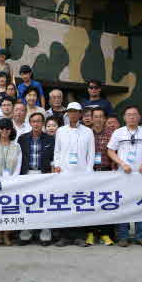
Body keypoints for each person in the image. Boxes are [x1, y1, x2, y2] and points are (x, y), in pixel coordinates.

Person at [107, 105, 142, 248]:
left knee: (140, 204)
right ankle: (123, 236)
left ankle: (140, 236)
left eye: (135, 114)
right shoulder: (118, 132)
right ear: (124, 117)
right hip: (123, 174)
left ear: (139, 117)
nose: (132, 117)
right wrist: (122, 163)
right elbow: (110, 151)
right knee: (123, 204)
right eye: (129, 114)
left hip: (141, 175)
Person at [52, 103, 95, 247]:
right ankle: (65, 236)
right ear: (67, 114)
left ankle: (79, 237)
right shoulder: (60, 131)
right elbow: (57, 151)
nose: (73, 114)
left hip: (81, 174)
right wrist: (57, 165)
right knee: (65, 205)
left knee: (80, 205)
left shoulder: (88, 131)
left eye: (76, 112)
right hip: (64, 173)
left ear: (80, 114)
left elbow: (91, 153)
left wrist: (88, 172)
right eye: (70, 112)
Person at [17, 112, 55, 246]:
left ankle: (45, 233)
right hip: (27, 174)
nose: (36, 124)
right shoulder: (22, 138)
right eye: (33, 121)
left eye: (39, 121)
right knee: (27, 204)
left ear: (43, 123)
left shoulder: (50, 139)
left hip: (44, 174)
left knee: (44, 204)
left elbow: (54, 158)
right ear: (30, 123)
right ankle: (26, 233)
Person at [87, 107, 116, 246]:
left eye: (101, 116)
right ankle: (91, 234)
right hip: (90, 172)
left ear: (105, 119)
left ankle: (105, 234)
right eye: (95, 116)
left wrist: (114, 171)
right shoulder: (86, 133)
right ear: (91, 118)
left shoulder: (112, 134)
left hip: (106, 171)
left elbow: (115, 152)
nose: (98, 119)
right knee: (90, 203)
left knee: (105, 203)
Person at [0, 118, 22, 246]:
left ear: (11, 130)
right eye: (1, 128)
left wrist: (12, 180)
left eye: (7, 128)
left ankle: (6, 235)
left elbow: (19, 165)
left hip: (12, 183)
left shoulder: (17, 146)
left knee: (9, 210)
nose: (4, 131)